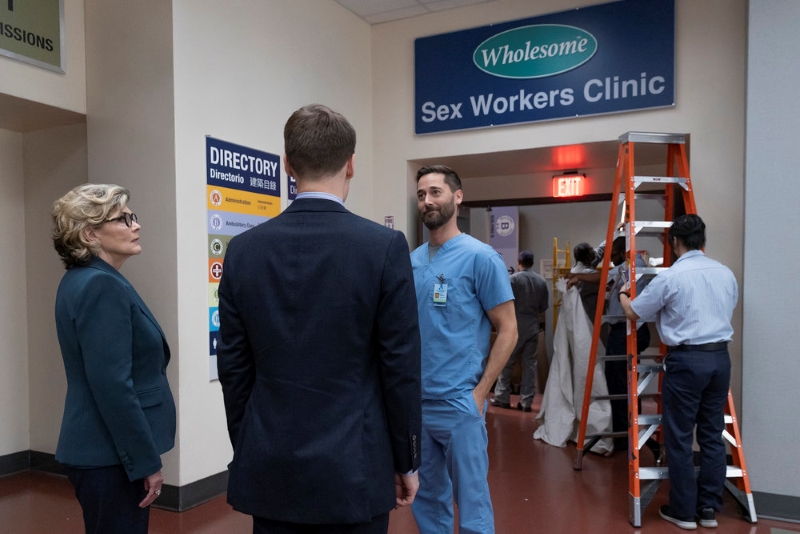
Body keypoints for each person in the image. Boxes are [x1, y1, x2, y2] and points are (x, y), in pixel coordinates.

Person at [217, 104, 421, 534]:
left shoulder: (243, 250)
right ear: (351, 164)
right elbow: (400, 368)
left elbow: (233, 368)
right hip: (356, 467)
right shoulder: (383, 247)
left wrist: (251, 444)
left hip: (270, 462)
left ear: (287, 165)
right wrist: (406, 459)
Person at [51, 184, 176, 534]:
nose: (136, 225)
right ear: (90, 234)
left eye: (132, 217)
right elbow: (113, 386)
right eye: (123, 219)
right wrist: (145, 462)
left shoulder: (83, 279)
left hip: (103, 451)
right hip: (109, 455)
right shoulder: (100, 286)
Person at [411, 165, 517, 534]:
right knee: (427, 499)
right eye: (421, 195)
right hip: (417, 403)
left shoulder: (481, 258)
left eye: (435, 192)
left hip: (460, 401)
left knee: (472, 503)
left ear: (457, 197)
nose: (427, 201)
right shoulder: (412, 261)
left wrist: (480, 392)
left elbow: (508, 329)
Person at [619, 214, 738, 530]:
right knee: (712, 434)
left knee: (680, 437)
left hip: (687, 362)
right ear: (703, 240)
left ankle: (684, 512)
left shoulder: (670, 278)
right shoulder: (725, 273)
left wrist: (622, 292)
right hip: (719, 359)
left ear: (673, 242)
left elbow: (634, 313)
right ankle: (708, 509)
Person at [490, 250, 549, 412]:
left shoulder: (513, 280)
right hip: (533, 325)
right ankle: (526, 402)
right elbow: (543, 307)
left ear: (519, 262)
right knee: (530, 364)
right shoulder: (541, 281)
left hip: (514, 325)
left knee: (506, 362)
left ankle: (502, 397)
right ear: (532, 262)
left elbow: (503, 301)